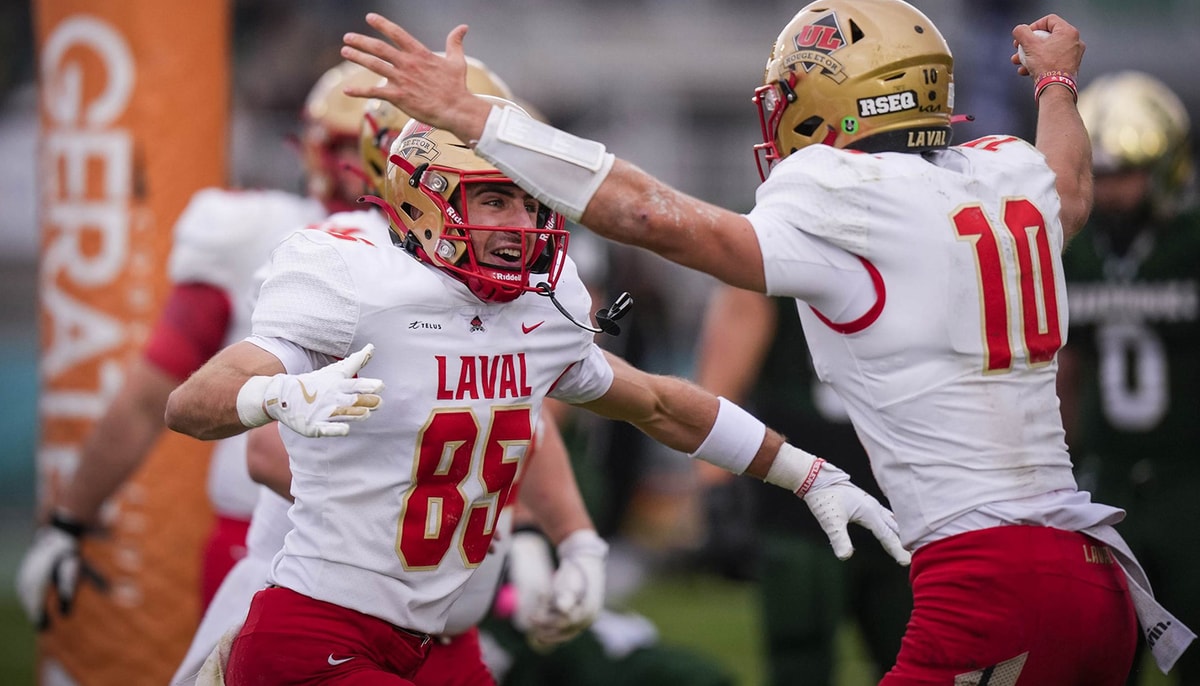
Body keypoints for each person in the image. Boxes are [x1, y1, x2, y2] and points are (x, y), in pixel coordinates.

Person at [339, 1, 1196, 682]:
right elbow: (1069, 189)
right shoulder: (1004, 170)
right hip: (1095, 576)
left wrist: (477, 119)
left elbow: (655, 219)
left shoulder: (843, 189)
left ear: (838, 96)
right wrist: (1056, 86)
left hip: (989, 576)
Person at [162, 93, 906, 683]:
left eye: (534, 204)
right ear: (427, 199)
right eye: (495, 201)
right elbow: (187, 406)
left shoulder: (540, 310)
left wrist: (804, 473)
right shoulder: (356, 281)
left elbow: (656, 403)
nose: (524, 225)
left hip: (437, 642)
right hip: (319, 630)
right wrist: (272, 397)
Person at [172, 67, 577, 686]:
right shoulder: (349, 261)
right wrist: (437, 524)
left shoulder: (490, 275)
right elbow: (258, 444)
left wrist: (560, 536)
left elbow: (520, 407)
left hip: (434, 617)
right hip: (324, 601)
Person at [14, 59, 380, 631]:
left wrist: (525, 528)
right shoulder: (264, 234)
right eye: (357, 148)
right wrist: (69, 519)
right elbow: (149, 397)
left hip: (424, 542)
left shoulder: (460, 266)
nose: (371, 168)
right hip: (276, 534)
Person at [1057, 71, 1200, 684]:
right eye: (1104, 174)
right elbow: (1063, 373)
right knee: (1098, 660)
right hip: (1105, 485)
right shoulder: (1074, 253)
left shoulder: (1190, 245)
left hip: (1189, 481)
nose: (1112, 191)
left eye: (1127, 174)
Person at [693, 285, 910, 684]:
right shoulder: (775, 252)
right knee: (801, 660)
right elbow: (723, 379)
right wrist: (715, 487)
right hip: (803, 492)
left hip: (895, 488)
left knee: (922, 657)